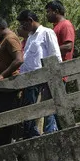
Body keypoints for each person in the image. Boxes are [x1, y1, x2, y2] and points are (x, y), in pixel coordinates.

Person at [16, 9, 60, 138]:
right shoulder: (30, 36)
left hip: (43, 78)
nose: (22, 27)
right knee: (32, 110)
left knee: (46, 109)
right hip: (30, 80)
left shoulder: (46, 32)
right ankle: (33, 136)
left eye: (23, 24)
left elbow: (55, 55)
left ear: (30, 21)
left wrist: (54, 77)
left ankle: (51, 135)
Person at [0, 17, 24, 147]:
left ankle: (5, 149)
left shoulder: (10, 39)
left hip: (9, 88)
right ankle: (3, 148)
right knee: (2, 122)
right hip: (4, 90)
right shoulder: (5, 40)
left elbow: (19, 60)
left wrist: (2, 75)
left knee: (6, 123)